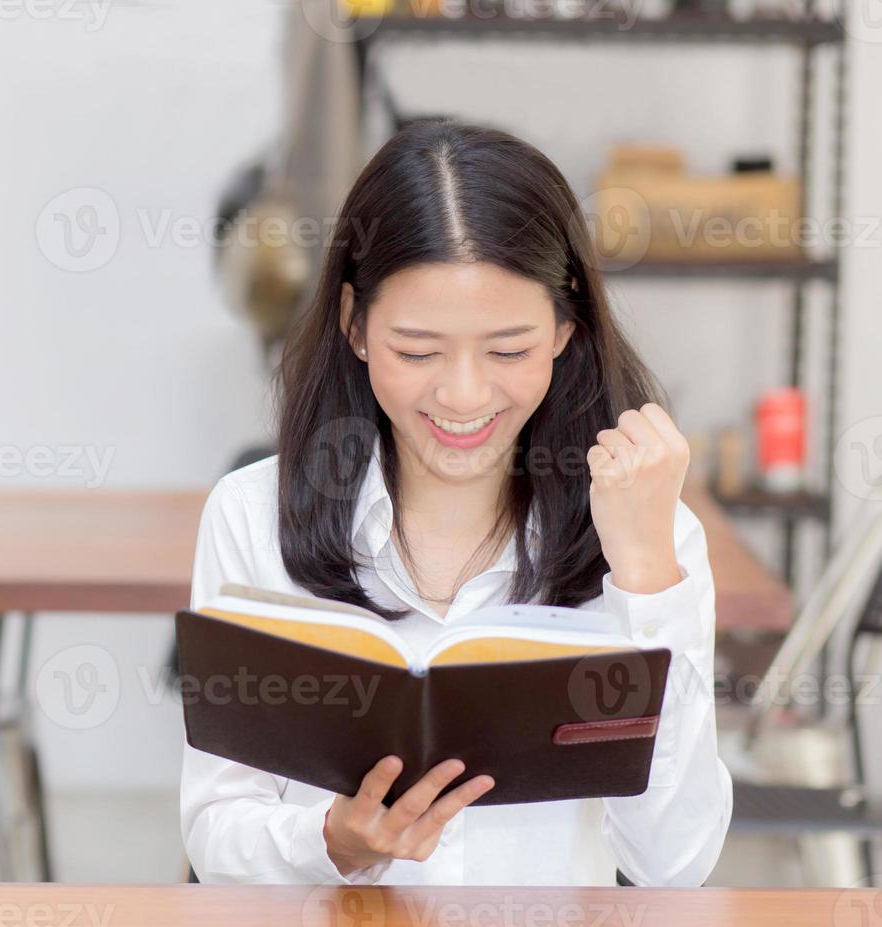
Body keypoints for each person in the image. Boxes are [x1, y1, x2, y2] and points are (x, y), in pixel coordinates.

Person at [180, 121, 732, 887]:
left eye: (508, 350)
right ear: (355, 326)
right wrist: (334, 840)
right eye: (418, 351)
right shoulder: (250, 516)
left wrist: (643, 578)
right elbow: (216, 833)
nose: (465, 395)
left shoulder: (650, 532)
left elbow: (675, 867)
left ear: (566, 331)